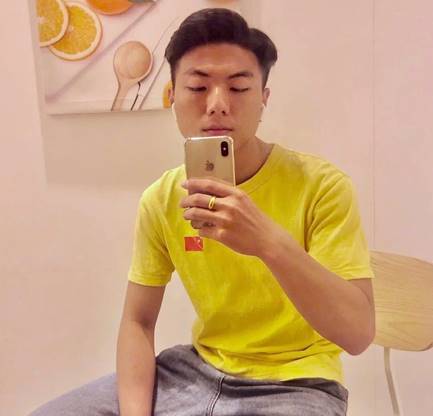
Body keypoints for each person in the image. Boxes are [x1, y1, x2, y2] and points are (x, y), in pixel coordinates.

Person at [29, 8, 375, 416]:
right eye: (197, 86)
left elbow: (357, 335)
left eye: (238, 87)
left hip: (296, 382)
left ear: (264, 99)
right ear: (172, 97)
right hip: (194, 371)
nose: (217, 105)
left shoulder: (321, 187)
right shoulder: (162, 199)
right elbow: (138, 322)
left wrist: (267, 242)